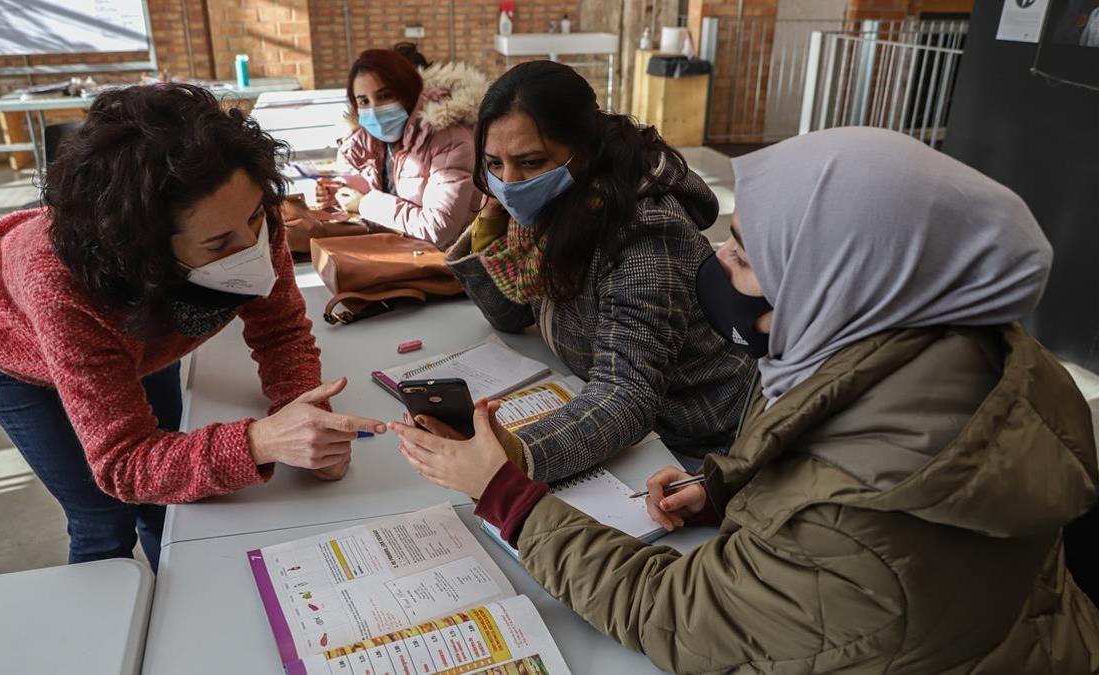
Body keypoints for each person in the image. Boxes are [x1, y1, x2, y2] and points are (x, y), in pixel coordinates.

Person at [394, 127, 1099, 672]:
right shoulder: (943, 351)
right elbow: (821, 450)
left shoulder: (861, 524)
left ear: (841, 284)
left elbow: (676, 612)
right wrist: (724, 485)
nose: (717, 266)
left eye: (748, 255)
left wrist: (505, 495)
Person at [0, 84, 386, 571]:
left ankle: (172, 588)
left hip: (135, 333)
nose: (253, 248)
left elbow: (279, 329)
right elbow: (124, 462)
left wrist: (306, 416)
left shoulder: (239, 211)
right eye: (219, 245)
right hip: (10, 349)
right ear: (147, 254)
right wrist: (261, 440)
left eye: (257, 218)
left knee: (169, 502)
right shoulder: (65, 291)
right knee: (101, 516)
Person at [431, 61, 753, 482]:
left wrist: (515, 456)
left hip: (694, 444)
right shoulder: (552, 204)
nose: (508, 182)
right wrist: (489, 229)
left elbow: (627, 393)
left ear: (583, 151)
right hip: (608, 407)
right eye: (494, 164)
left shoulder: (643, 232)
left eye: (530, 162)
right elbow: (510, 314)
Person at [316, 48, 486, 249]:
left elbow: (437, 229)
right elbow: (394, 188)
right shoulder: (380, 141)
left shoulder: (448, 139)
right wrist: (342, 189)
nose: (375, 110)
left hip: (447, 269)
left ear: (407, 92)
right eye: (364, 101)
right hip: (402, 257)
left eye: (385, 95)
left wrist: (364, 204)